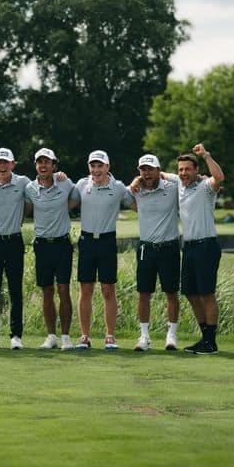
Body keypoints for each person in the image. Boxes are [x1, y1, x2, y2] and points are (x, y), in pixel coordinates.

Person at [71, 150, 133, 350]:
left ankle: (110, 336)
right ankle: (85, 336)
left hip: (107, 242)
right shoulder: (81, 185)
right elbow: (65, 202)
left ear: (108, 167)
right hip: (86, 241)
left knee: (108, 289)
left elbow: (138, 202)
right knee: (86, 289)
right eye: (93, 166)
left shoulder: (118, 187)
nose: (96, 170)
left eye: (100, 166)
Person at [169, 144, 225, 355]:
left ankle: (211, 343)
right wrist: (138, 180)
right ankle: (205, 338)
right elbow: (161, 174)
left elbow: (219, 177)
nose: (183, 173)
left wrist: (207, 156)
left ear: (196, 170)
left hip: (206, 246)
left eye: (187, 169)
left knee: (207, 294)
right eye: (180, 169)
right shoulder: (179, 185)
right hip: (189, 248)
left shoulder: (206, 187)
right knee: (191, 294)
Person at [23, 148, 79, 350]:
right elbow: (26, 210)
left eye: (47, 162)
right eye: (40, 162)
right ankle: (51, 336)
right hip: (42, 245)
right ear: (36, 165)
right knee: (46, 291)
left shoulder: (65, 183)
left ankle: (65, 337)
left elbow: (75, 199)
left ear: (54, 165)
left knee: (63, 289)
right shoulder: (29, 188)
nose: (43, 166)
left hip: (62, 245)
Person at [129, 154, 181, 352]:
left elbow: (183, 178)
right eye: (143, 169)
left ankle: (171, 335)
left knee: (171, 292)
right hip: (146, 248)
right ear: (139, 171)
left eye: (150, 169)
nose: (147, 173)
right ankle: (144, 337)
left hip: (169, 247)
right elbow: (125, 195)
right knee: (143, 293)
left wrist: (166, 175)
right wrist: (135, 181)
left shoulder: (172, 187)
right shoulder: (136, 190)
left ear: (159, 170)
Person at [0, 148, 31, 350]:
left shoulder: (22, 182)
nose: (2, 166)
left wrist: (20, 218)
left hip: (14, 242)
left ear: (13, 164)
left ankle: (15, 335)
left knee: (15, 290)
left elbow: (29, 203)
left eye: (6, 162)